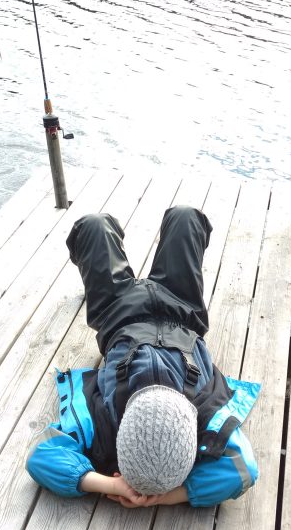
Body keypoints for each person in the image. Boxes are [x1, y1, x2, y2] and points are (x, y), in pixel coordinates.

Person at [26, 206, 260, 508]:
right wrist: (168, 498)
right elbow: (243, 470)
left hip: (118, 314)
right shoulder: (206, 419)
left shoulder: (101, 427)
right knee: (186, 218)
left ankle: (108, 243)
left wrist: (112, 485)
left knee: (94, 226)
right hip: (183, 311)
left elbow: (40, 459)